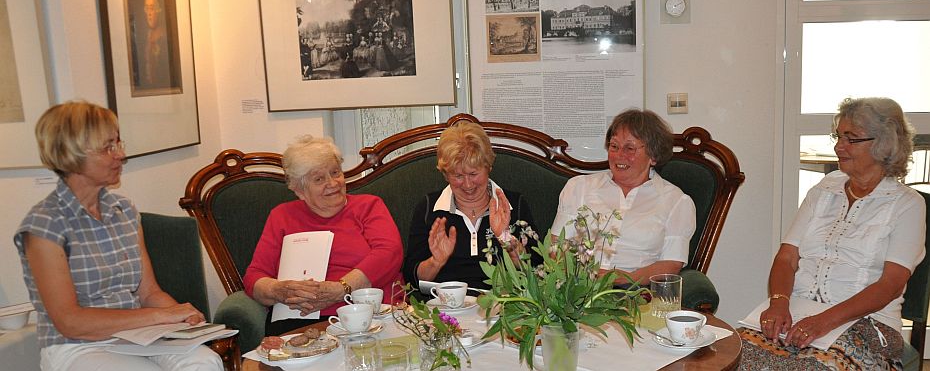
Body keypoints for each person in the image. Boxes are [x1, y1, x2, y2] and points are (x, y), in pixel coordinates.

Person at [14, 101, 221, 371]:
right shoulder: (44, 225)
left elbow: (149, 292)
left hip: (137, 335)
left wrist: (185, 319)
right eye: (107, 148)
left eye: (118, 143)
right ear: (71, 155)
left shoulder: (123, 210)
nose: (121, 155)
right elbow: (70, 322)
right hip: (77, 345)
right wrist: (160, 316)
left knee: (205, 361)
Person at [738, 97, 926, 370]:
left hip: (868, 324)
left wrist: (823, 321)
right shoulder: (825, 188)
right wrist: (778, 302)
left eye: (851, 139)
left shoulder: (907, 204)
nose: (839, 146)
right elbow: (787, 257)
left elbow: (890, 285)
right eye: (838, 136)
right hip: (799, 311)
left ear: (884, 144)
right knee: (730, 357)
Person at [244, 135, 403, 336]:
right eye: (319, 179)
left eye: (335, 172)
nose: (333, 183)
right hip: (299, 318)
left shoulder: (368, 206)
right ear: (299, 189)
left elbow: (389, 253)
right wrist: (279, 290)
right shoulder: (281, 216)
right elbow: (254, 276)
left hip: (366, 313)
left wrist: (341, 289)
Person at [550, 108, 696, 286]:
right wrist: (581, 279)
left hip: (635, 290)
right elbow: (556, 247)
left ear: (653, 156)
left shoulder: (676, 201)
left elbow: (671, 263)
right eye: (614, 146)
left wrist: (624, 279)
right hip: (577, 288)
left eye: (630, 148)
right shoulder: (578, 187)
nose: (619, 155)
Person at [402, 121, 539, 293]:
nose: (468, 185)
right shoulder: (428, 208)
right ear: (445, 175)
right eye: (458, 176)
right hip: (443, 305)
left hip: (504, 303)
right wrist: (435, 262)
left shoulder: (513, 204)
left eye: (473, 174)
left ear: (488, 167)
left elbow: (537, 271)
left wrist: (506, 240)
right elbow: (411, 278)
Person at [135, 0, 175, 91]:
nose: (149, 13)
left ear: (158, 11)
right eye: (147, 8)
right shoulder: (144, 36)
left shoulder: (164, 37)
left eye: (152, 8)